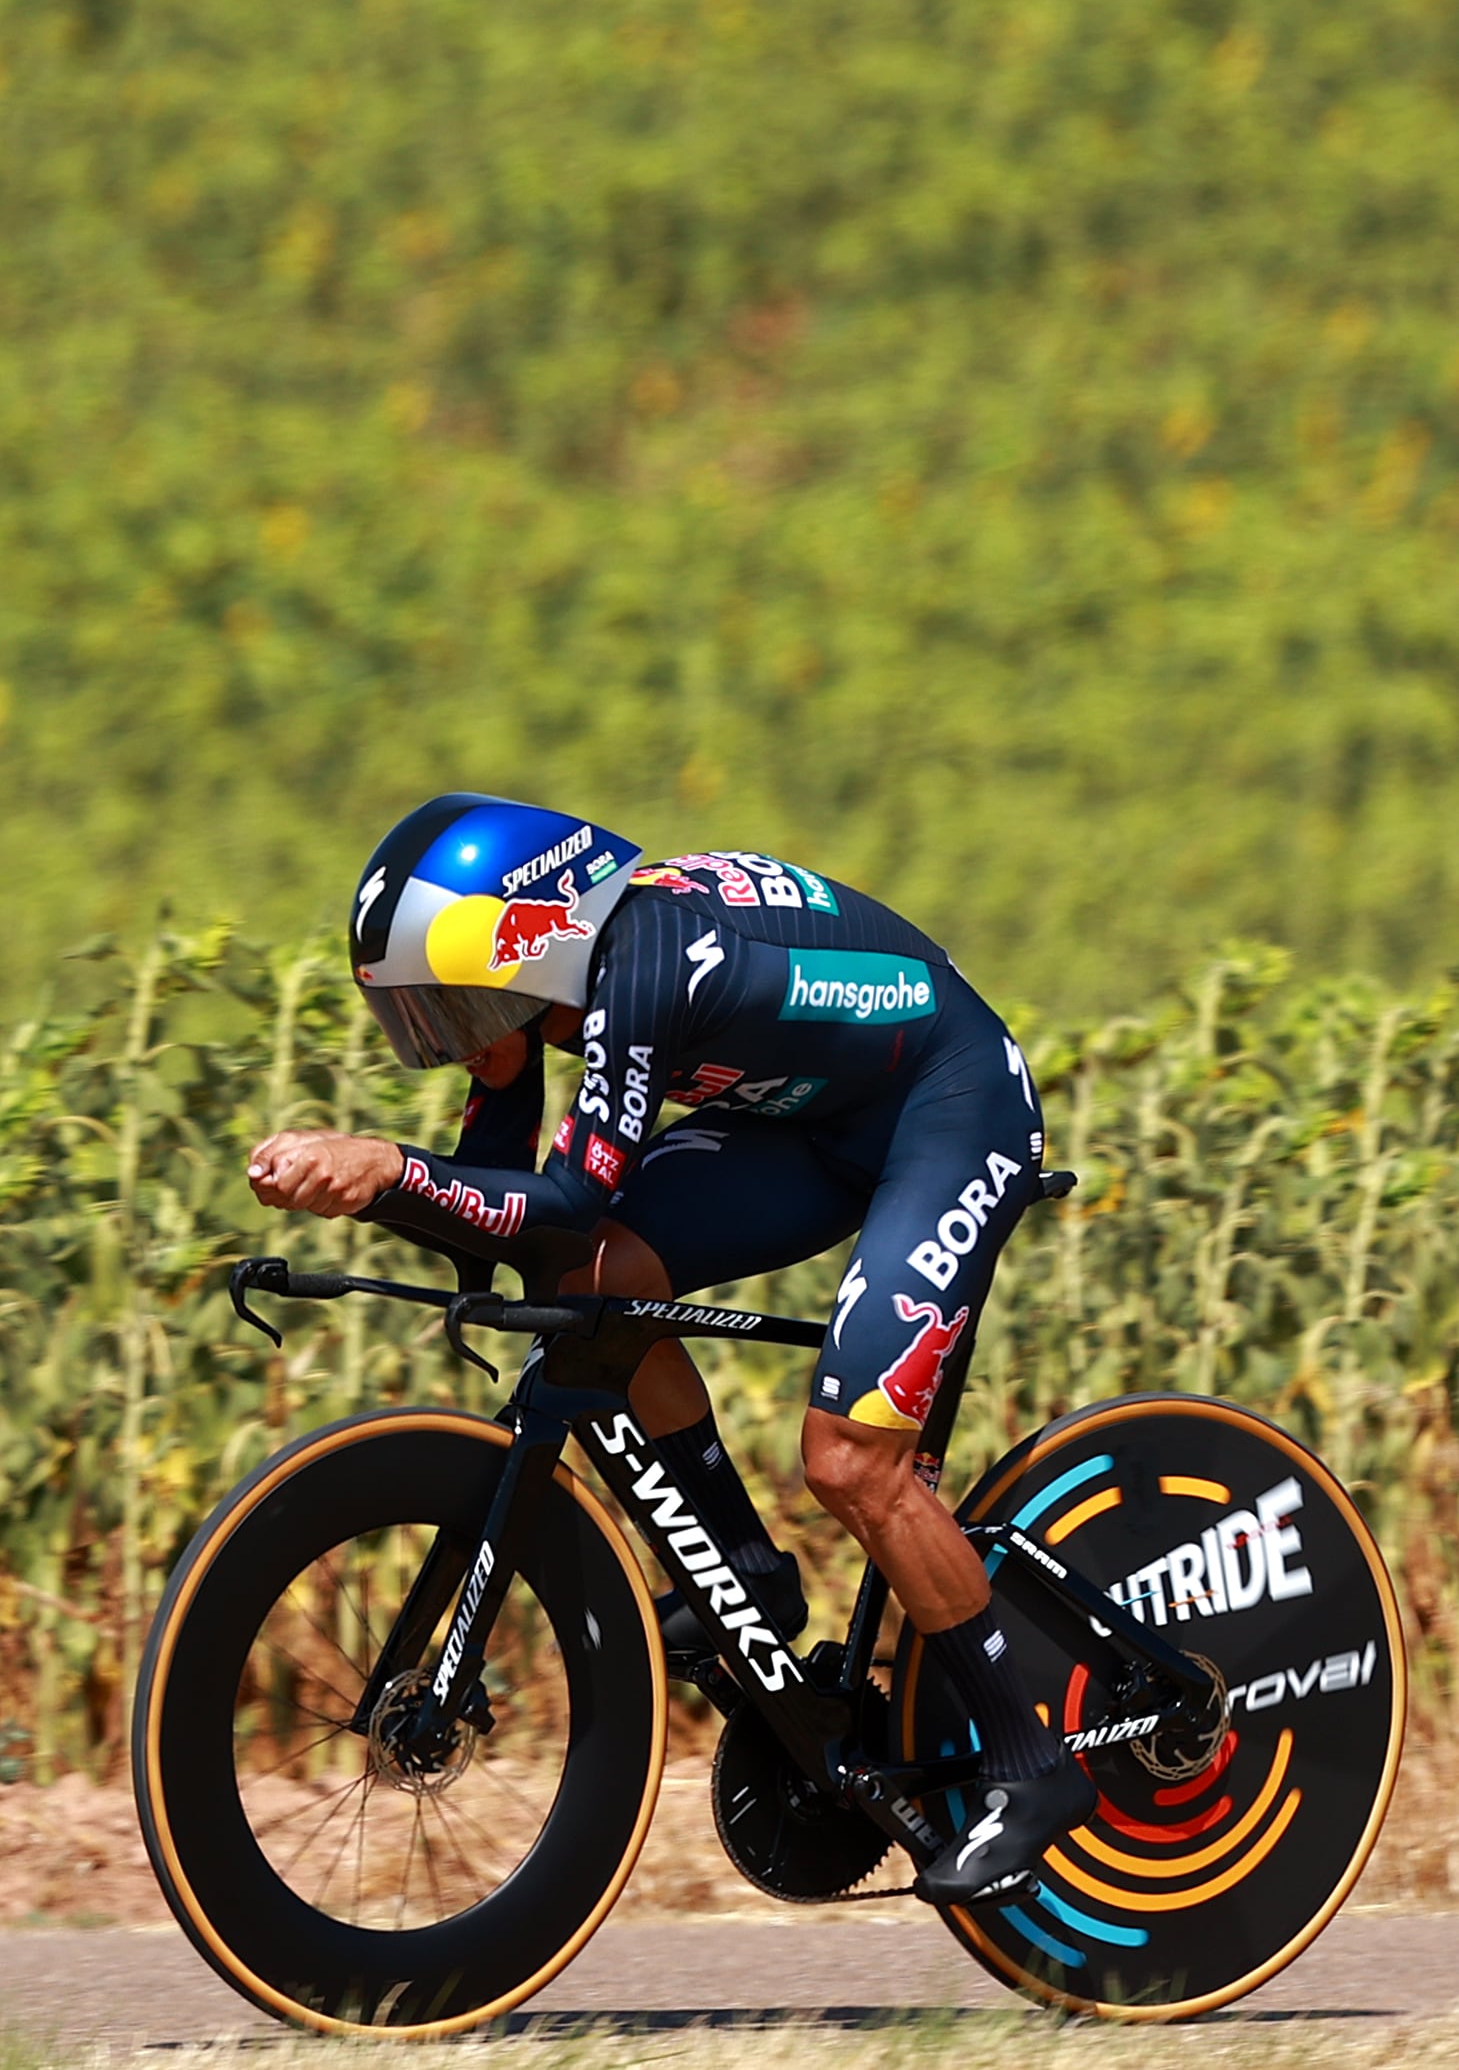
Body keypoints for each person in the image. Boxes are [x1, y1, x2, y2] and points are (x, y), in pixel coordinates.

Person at [247, 793, 1095, 1902]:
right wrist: (370, 1192)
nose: (454, 1035)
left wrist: (388, 1168)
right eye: (428, 1016)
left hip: (949, 1102)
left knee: (852, 1461)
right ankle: (746, 1572)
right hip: (809, 1118)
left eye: (456, 1002)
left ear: (530, 940)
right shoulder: (552, 993)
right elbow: (520, 1233)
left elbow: (557, 1196)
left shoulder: (645, 965)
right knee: (590, 1285)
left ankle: (1033, 1766)